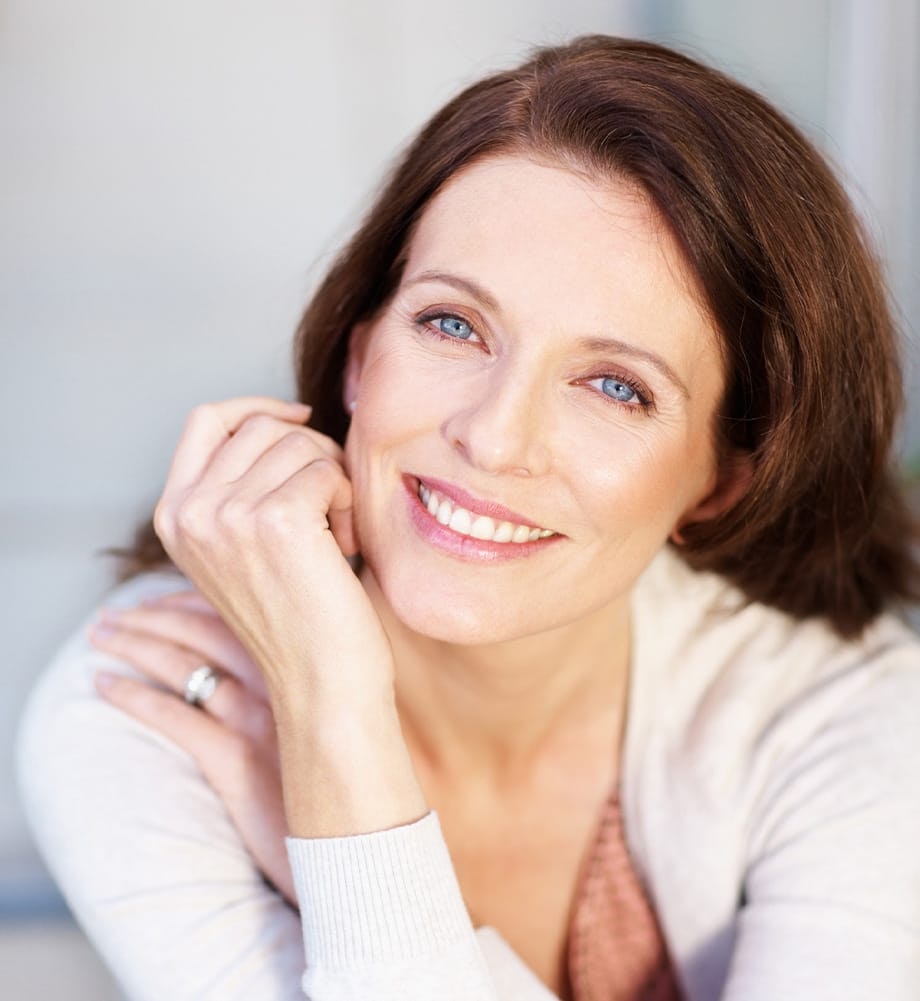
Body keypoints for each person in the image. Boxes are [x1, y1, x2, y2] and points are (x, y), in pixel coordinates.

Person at [16, 34, 920, 1001]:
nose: (493, 437)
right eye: (452, 323)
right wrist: (328, 694)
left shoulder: (839, 712)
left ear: (718, 483)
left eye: (615, 386)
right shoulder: (142, 710)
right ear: (360, 355)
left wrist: (331, 775)